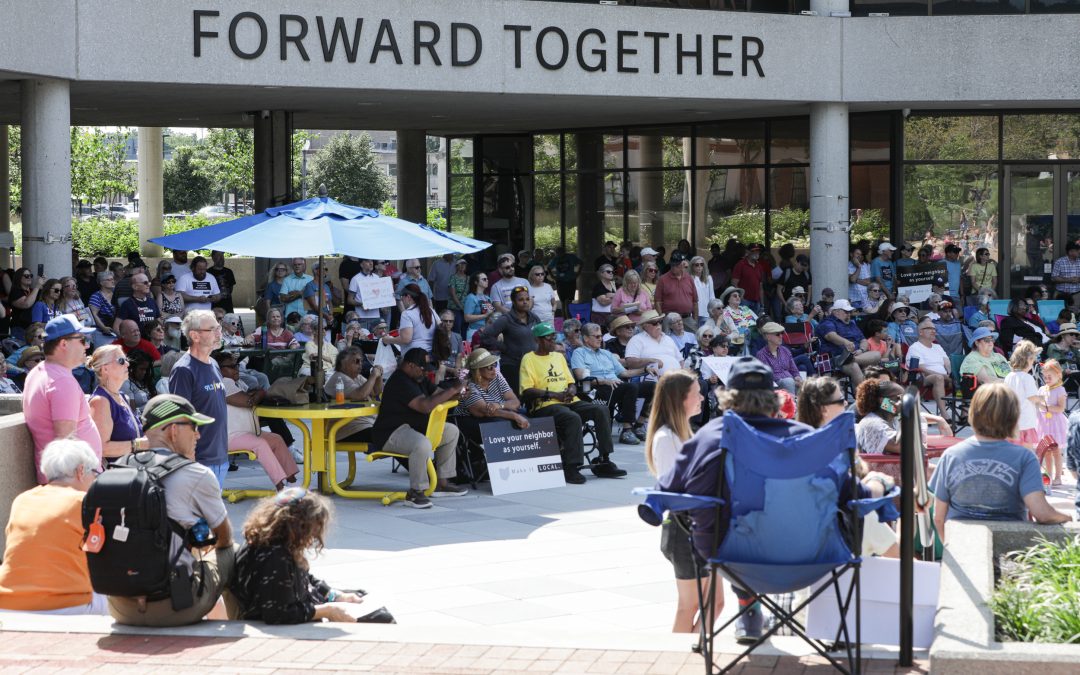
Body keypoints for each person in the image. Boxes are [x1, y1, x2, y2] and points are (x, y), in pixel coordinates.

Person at [107, 394, 237, 627]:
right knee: (233, 551)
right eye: (194, 427)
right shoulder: (197, 474)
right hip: (176, 607)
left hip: (120, 607)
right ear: (173, 430)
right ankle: (240, 627)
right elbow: (224, 538)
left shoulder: (115, 470)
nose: (198, 434)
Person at [930, 383, 1071, 544]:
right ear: (1014, 417)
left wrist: (950, 548)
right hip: (1009, 547)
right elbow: (1041, 513)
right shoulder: (1024, 458)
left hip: (961, 543)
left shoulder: (951, 455)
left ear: (972, 413)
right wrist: (1067, 517)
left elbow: (938, 517)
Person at [229, 488, 388, 624]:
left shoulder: (277, 544)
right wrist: (328, 610)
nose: (314, 536)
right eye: (314, 529)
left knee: (362, 595)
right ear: (300, 526)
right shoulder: (275, 557)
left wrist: (335, 595)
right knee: (382, 618)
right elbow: (278, 614)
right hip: (289, 621)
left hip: (305, 602)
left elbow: (305, 578)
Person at [642, 369, 723, 633]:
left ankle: (694, 654)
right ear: (680, 399)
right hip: (684, 529)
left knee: (716, 603)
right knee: (689, 606)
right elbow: (672, 491)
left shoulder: (685, 432)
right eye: (696, 393)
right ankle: (676, 659)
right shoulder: (666, 438)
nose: (701, 397)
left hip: (703, 527)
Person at [0, 439, 107, 614]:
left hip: (9, 603)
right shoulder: (83, 503)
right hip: (66, 604)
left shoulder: (22, 500)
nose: (95, 480)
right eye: (95, 473)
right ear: (81, 471)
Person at [520, 323, 626, 484]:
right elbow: (526, 390)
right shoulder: (529, 358)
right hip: (545, 405)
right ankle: (572, 466)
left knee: (601, 409)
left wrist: (571, 390)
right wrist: (553, 394)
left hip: (568, 400)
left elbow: (571, 382)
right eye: (549, 338)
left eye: (554, 337)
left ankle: (604, 459)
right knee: (572, 418)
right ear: (538, 340)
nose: (553, 342)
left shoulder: (558, 356)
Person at [369, 348, 467, 509]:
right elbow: (425, 406)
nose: (424, 372)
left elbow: (439, 394)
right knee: (421, 444)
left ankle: (442, 483)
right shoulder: (400, 381)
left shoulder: (418, 378)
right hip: (390, 433)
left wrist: (460, 392)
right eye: (421, 368)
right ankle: (416, 491)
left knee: (450, 431)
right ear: (409, 365)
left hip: (412, 428)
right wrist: (453, 390)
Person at [23, 315, 101, 483]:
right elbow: (66, 442)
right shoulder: (61, 381)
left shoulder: (38, 372)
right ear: (64, 344)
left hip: (61, 480)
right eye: (82, 340)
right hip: (73, 483)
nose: (87, 345)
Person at [214, 352, 299, 491]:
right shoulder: (223, 383)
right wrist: (260, 393)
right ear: (219, 369)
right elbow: (249, 401)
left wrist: (257, 394)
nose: (236, 369)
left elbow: (251, 396)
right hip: (229, 436)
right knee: (261, 444)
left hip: (246, 432)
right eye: (231, 366)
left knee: (276, 439)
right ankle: (281, 487)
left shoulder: (237, 382)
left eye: (236, 365)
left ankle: (293, 482)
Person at [168, 309, 229, 486]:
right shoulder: (183, 370)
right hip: (199, 460)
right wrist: (189, 460)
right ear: (194, 335)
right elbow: (179, 419)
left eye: (218, 327)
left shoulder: (214, 363)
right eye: (213, 329)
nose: (219, 333)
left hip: (220, 457)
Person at [572, 322, 657, 445]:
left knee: (654, 387)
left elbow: (624, 373)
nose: (600, 339)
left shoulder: (606, 353)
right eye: (596, 336)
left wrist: (644, 370)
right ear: (585, 338)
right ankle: (627, 430)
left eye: (601, 336)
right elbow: (580, 376)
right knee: (629, 387)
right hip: (599, 388)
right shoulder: (579, 353)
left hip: (617, 385)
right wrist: (605, 381)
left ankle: (638, 425)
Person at [88, 345, 146, 459]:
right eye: (121, 360)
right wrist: (138, 444)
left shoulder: (122, 397)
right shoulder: (100, 401)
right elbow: (102, 448)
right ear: (105, 369)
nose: (127, 364)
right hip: (116, 474)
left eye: (126, 360)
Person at [481, 286, 541, 393]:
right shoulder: (506, 319)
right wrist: (504, 348)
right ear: (513, 301)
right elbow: (486, 336)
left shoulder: (534, 318)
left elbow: (542, 336)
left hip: (533, 365)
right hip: (513, 365)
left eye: (527, 299)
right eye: (521, 300)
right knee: (517, 399)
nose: (525, 302)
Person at [324, 347, 384, 442]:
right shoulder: (339, 378)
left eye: (361, 361)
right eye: (356, 362)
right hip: (346, 430)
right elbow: (361, 394)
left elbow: (375, 392)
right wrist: (373, 376)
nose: (360, 365)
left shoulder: (357, 377)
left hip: (362, 425)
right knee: (390, 436)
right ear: (343, 364)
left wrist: (379, 375)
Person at [816, 299, 880, 387]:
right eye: (846, 312)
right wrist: (845, 342)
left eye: (850, 312)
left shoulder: (852, 324)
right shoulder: (828, 322)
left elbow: (863, 340)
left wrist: (861, 350)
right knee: (854, 366)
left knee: (877, 355)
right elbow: (830, 336)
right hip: (836, 358)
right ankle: (864, 397)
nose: (849, 314)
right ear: (836, 312)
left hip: (856, 355)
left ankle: (850, 359)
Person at [906, 318, 952, 420]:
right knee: (938, 378)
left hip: (945, 378)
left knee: (966, 379)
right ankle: (944, 415)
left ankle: (964, 413)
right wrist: (944, 376)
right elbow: (921, 368)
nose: (933, 331)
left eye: (934, 329)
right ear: (920, 332)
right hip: (923, 378)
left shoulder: (938, 347)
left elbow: (947, 362)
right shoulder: (915, 348)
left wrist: (951, 373)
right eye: (929, 328)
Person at [382, 283, 443, 359]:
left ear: (408, 297)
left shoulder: (407, 314)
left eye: (402, 296)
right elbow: (442, 327)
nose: (401, 299)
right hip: (431, 355)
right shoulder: (431, 311)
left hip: (414, 358)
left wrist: (389, 340)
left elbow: (406, 339)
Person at [1004, 340, 1044, 449]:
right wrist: (1042, 398)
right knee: (1027, 450)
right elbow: (1032, 397)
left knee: (1013, 449)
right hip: (1025, 421)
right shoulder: (1027, 378)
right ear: (1028, 360)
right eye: (1033, 360)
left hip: (1011, 420)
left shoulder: (1009, 376)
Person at [626, 310, 684, 378]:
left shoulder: (668, 339)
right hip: (650, 381)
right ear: (645, 326)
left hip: (677, 379)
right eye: (654, 323)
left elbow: (680, 360)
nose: (658, 325)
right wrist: (651, 360)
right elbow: (630, 362)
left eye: (660, 322)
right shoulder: (637, 340)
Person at [1037, 359, 1068, 487]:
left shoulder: (1060, 390)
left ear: (1058, 375)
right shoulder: (1042, 389)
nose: (1047, 379)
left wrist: (1047, 408)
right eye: (1045, 377)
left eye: (1050, 376)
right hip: (1044, 423)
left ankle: (1058, 477)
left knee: (1056, 450)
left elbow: (1061, 408)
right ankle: (1048, 476)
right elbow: (1038, 404)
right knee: (1047, 451)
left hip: (1055, 423)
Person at [854, 379, 905, 455]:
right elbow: (903, 446)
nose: (903, 401)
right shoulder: (872, 423)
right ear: (883, 401)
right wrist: (902, 414)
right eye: (898, 398)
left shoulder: (893, 419)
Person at [755, 322, 801, 394]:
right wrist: (791, 380)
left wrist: (797, 377)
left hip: (790, 382)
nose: (781, 336)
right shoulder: (761, 355)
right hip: (775, 386)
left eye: (781, 333)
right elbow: (767, 377)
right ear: (768, 337)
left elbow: (794, 370)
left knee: (807, 385)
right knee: (788, 382)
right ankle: (792, 403)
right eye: (777, 334)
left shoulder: (785, 350)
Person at [653, 254, 697, 329]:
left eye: (676, 265)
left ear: (682, 264)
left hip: (687, 318)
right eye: (672, 265)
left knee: (692, 339)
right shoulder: (663, 279)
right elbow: (657, 302)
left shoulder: (689, 278)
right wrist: (662, 319)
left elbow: (695, 301)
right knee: (669, 340)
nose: (673, 267)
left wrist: (695, 320)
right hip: (669, 319)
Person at [731, 244, 767, 313]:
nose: (756, 253)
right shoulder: (740, 264)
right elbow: (734, 283)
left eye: (758, 251)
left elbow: (760, 286)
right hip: (744, 301)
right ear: (747, 252)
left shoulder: (759, 266)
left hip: (757, 301)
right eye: (754, 251)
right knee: (745, 322)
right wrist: (741, 298)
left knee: (756, 322)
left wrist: (762, 303)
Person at [719, 287, 757, 352]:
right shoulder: (726, 312)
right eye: (735, 296)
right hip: (739, 340)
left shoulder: (745, 308)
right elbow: (734, 330)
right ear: (728, 299)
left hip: (755, 336)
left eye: (739, 296)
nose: (738, 297)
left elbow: (758, 321)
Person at [547, 245, 582, 310]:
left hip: (570, 281)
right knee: (562, 301)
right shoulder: (555, 259)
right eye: (557, 252)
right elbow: (549, 267)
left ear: (564, 252)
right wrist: (553, 276)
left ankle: (569, 317)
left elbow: (581, 263)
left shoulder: (571, 257)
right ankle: (564, 317)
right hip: (560, 282)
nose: (559, 254)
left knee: (569, 301)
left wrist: (578, 273)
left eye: (560, 252)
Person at [88, 270, 118, 344]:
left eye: (112, 279)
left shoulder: (116, 293)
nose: (112, 281)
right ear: (101, 283)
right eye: (109, 280)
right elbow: (94, 314)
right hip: (102, 333)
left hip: (117, 331)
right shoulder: (96, 296)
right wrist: (103, 327)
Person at [463, 271, 495, 340]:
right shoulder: (471, 297)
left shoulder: (487, 298)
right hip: (475, 332)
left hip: (487, 331)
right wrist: (485, 315)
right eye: (484, 279)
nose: (487, 280)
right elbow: (467, 318)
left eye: (487, 279)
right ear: (476, 282)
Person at [1051, 240, 1080, 304]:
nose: (1079, 252)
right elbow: (1053, 278)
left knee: (1075, 313)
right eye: (1077, 250)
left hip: (1076, 295)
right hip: (1061, 295)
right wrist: (1069, 280)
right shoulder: (1059, 262)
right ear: (1070, 252)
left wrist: (1079, 279)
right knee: (1059, 313)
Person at [589, 264, 617, 329]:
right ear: (601, 273)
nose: (611, 273)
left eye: (612, 272)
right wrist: (616, 296)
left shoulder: (614, 285)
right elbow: (603, 302)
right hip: (600, 316)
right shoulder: (598, 286)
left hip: (612, 315)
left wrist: (610, 295)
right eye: (608, 272)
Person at [689, 256, 715, 324]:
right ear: (692, 266)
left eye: (701, 264)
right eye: (697, 265)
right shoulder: (689, 279)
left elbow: (712, 297)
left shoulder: (709, 278)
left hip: (707, 313)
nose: (699, 266)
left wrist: (713, 311)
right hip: (695, 313)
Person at [448, 258, 469, 335]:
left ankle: (464, 345)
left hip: (466, 308)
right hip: (455, 307)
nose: (463, 266)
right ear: (456, 266)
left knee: (465, 328)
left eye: (464, 264)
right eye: (460, 264)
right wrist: (461, 307)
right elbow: (453, 295)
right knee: (456, 327)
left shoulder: (468, 278)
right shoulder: (453, 278)